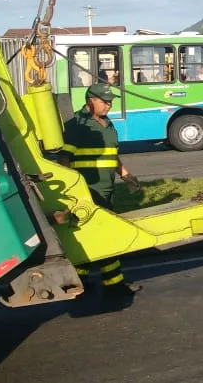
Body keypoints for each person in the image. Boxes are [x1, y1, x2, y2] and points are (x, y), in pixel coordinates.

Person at [57, 82, 143, 297]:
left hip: (107, 190)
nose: (109, 106)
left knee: (90, 237)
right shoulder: (77, 125)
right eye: (105, 102)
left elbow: (112, 155)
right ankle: (113, 286)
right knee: (105, 236)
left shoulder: (107, 124)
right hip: (88, 193)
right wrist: (70, 193)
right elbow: (64, 159)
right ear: (90, 101)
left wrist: (126, 175)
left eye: (110, 102)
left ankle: (79, 283)